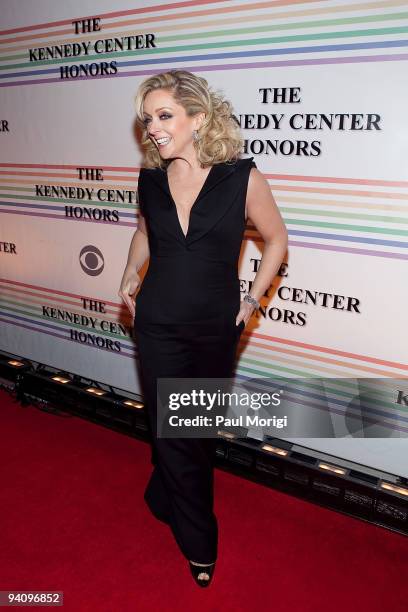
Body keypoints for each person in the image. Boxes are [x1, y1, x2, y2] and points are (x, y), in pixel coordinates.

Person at [119, 70, 288, 587]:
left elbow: (277, 240)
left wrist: (253, 299)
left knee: (195, 426)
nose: (153, 127)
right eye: (148, 118)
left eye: (165, 115)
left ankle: (162, 492)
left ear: (198, 118)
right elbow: (145, 234)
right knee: (173, 431)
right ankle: (200, 545)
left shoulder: (242, 178)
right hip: (158, 324)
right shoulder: (150, 181)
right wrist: (130, 269)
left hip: (216, 325)